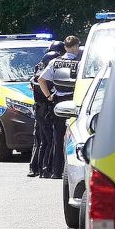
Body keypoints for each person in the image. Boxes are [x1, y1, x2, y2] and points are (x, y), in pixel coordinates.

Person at [38, 35, 82, 179]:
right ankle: (72, 171)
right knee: (75, 137)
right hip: (74, 102)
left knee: (58, 138)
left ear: (65, 47)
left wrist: (48, 96)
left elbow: (41, 80)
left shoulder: (55, 62)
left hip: (58, 103)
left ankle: (57, 171)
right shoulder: (79, 63)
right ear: (75, 47)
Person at [27, 41, 64, 178]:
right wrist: (50, 96)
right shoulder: (50, 66)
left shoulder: (39, 66)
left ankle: (35, 168)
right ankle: (45, 168)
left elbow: (32, 83)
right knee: (48, 140)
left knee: (40, 141)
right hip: (46, 107)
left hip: (38, 108)